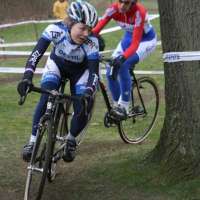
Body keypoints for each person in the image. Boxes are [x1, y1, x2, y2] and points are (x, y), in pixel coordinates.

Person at [17, 1, 99, 162]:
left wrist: (89, 91)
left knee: (83, 107)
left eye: (89, 30)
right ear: (70, 23)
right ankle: (32, 142)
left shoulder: (91, 43)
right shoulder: (54, 30)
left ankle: (71, 140)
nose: (86, 34)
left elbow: (94, 73)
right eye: (82, 28)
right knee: (46, 96)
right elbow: (36, 54)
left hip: (80, 72)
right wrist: (27, 76)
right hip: (57, 66)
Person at [92, 0, 157, 119]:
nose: (122, 5)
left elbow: (136, 43)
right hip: (128, 38)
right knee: (110, 68)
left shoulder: (139, 12)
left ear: (132, 4)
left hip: (145, 41)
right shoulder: (113, 9)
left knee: (123, 65)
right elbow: (97, 29)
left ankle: (125, 107)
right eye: (120, 1)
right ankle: (117, 108)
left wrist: (123, 57)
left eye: (126, 3)